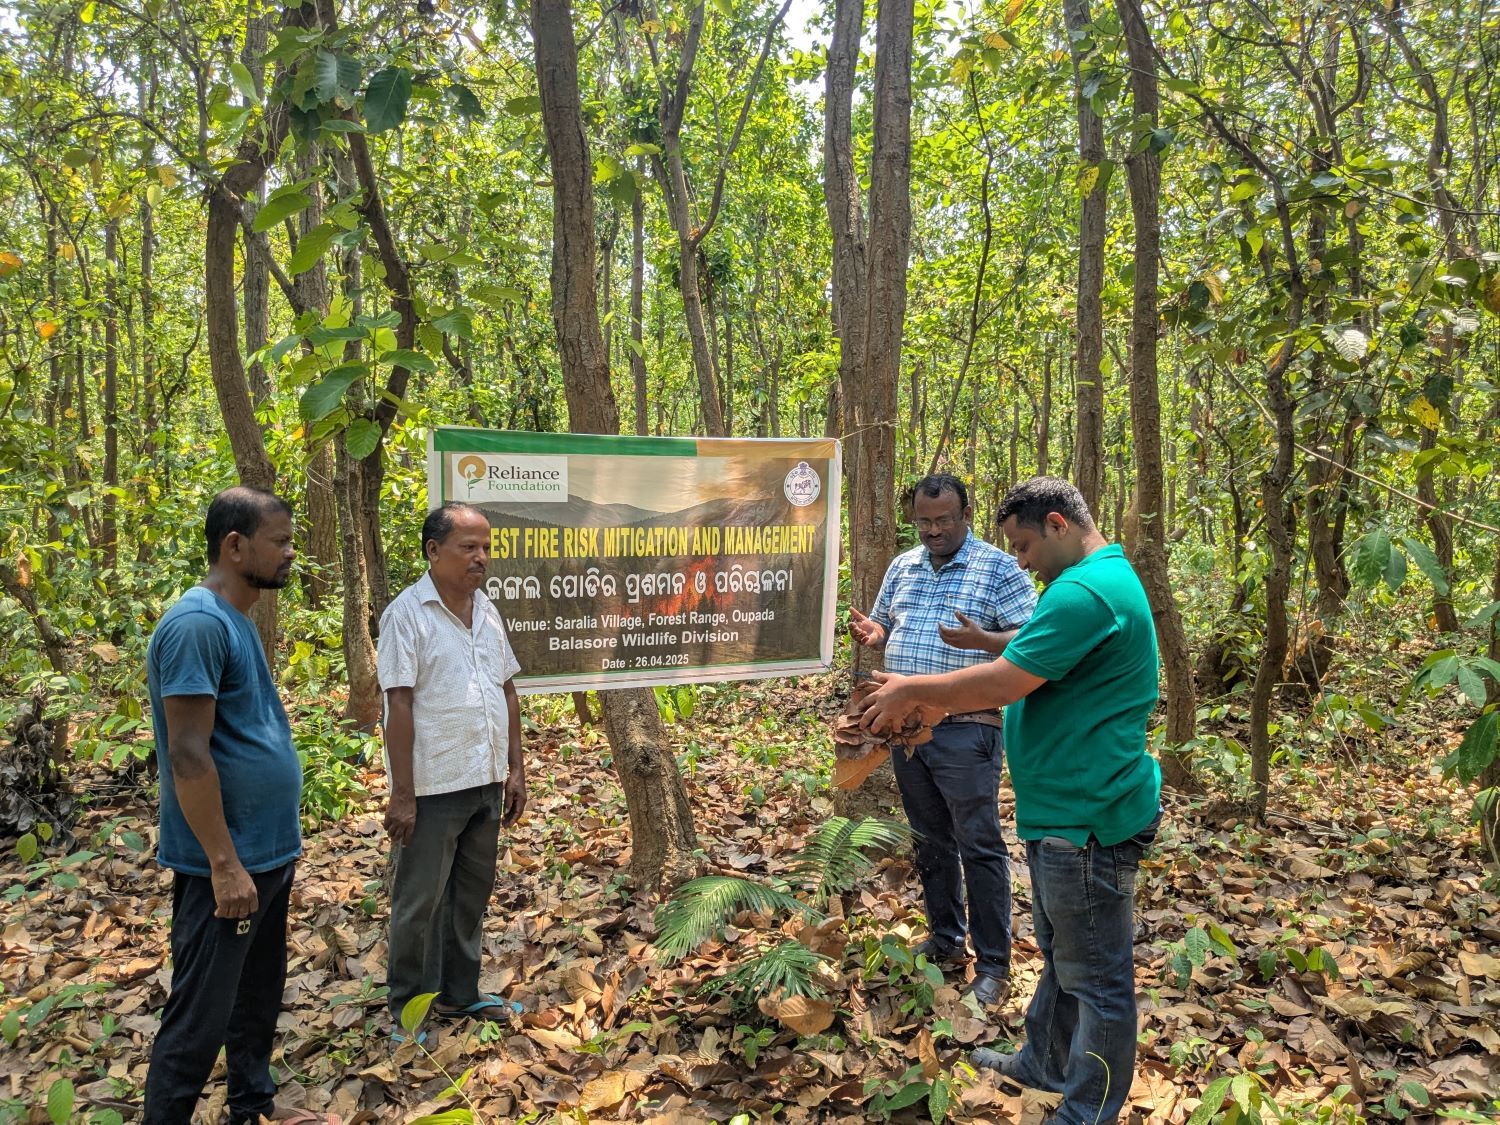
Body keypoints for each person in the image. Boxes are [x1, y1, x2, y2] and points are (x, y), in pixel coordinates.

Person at [860, 476, 1162, 1125]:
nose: (1020, 561)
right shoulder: (1095, 581)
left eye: (1024, 545)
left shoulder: (1084, 591)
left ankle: (1087, 1110)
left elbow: (1004, 683)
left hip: (1088, 816)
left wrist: (914, 688)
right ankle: (1046, 1062)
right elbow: (1040, 654)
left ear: (1057, 523)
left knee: (1100, 981)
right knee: (1062, 957)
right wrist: (989, 642)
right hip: (1066, 809)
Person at [142, 487, 302, 1124]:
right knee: (199, 1016)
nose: (292, 554)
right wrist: (224, 864)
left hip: (265, 853)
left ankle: (252, 1107)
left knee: (256, 998)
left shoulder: (235, 619)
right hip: (228, 864)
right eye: (281, 542)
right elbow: (187, 753)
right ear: (235, 547)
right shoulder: (197, 625)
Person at [848, 474, 1037, 1007]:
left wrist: (984, 640)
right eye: (925, 521)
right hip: (905, 726)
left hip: (967, 725)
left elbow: (1034, 637)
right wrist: (875, 635)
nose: (933, 530)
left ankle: (995, 963)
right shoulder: (903, 565)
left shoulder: (997, 567)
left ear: (965, 515)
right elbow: (886, 624)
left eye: (944, 520)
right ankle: (947, 939)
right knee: (929, 840)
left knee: (978, 843)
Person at [379, 501, 526, 1036]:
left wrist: (515, 767)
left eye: (486, 547)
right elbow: (398, 705)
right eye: (469, 547)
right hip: (435, 784)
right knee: (419, 902)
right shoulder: (407, 616)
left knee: (470, 895)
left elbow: (506, 689)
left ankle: (460, 994)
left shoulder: (486, 609)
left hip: (485, 778)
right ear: (433, 551)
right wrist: (402, 794)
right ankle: (409, 1008)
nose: (481, 558)